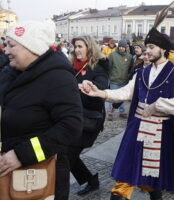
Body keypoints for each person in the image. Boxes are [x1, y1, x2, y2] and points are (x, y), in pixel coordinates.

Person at [79, 11, 174, 200]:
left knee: (151, 177)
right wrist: (100, 93)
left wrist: (158, 106)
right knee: (125, 175)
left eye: (151, 47)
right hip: (137, 129)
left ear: (163, 49)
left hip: (160, 134)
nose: (146, 51)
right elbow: (125, 92)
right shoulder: (141, 72)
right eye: (146, 47)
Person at [0, 21, 83, 200]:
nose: (5, 50)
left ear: (31, 48)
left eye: (11, 45)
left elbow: (71, 126)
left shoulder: (59, 78)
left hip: (39, 176)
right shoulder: (11, 72)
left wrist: (23, 154)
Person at [68, 35, 109, 195]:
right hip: (73, 116)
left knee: (68, 155)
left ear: (89, 47)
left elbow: (101, 86)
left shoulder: (99, 66)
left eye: (80, 46)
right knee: (67, 154)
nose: (76, 50)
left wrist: (87, 87)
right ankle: (91, 180)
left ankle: (90, 181)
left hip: (90, 119)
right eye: (75, 47)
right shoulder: (71, 65)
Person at [107, 40, 133, 121]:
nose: (121, 48)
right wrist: (110, 76)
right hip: (114, 80)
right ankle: (110, 113)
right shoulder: (112, 55)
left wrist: (128, 76)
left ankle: (122, 112)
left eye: (123, 47)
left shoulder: (129, 57)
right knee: (112, 98)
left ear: (126, 47)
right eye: (120, 46)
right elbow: (108, 67)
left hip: (124, 80)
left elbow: (130, 68)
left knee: (123, 98)